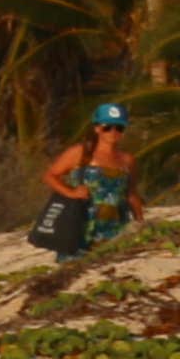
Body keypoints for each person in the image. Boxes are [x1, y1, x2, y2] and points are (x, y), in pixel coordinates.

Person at [37, 101, 141, 258]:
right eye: (107, 127)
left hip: (116, 229)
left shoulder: (127, 160)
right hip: (81, 227)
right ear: (97, 128)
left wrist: (140, 221)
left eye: (119, 128)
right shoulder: (80, 152)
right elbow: (50, 176)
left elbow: (131, 193)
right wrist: (70, 193)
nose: (113, 132)